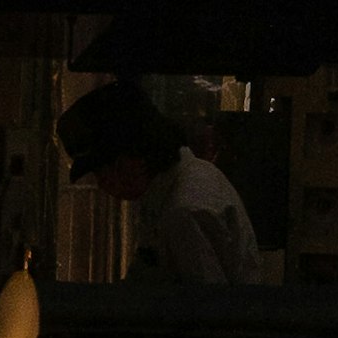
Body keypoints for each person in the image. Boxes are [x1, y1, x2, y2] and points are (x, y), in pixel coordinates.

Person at [60, 74, 268, 283]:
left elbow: (207, 308)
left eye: (101, 172)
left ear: (132, 159)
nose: (102, 184)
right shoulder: (186, 182)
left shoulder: (183, 212)